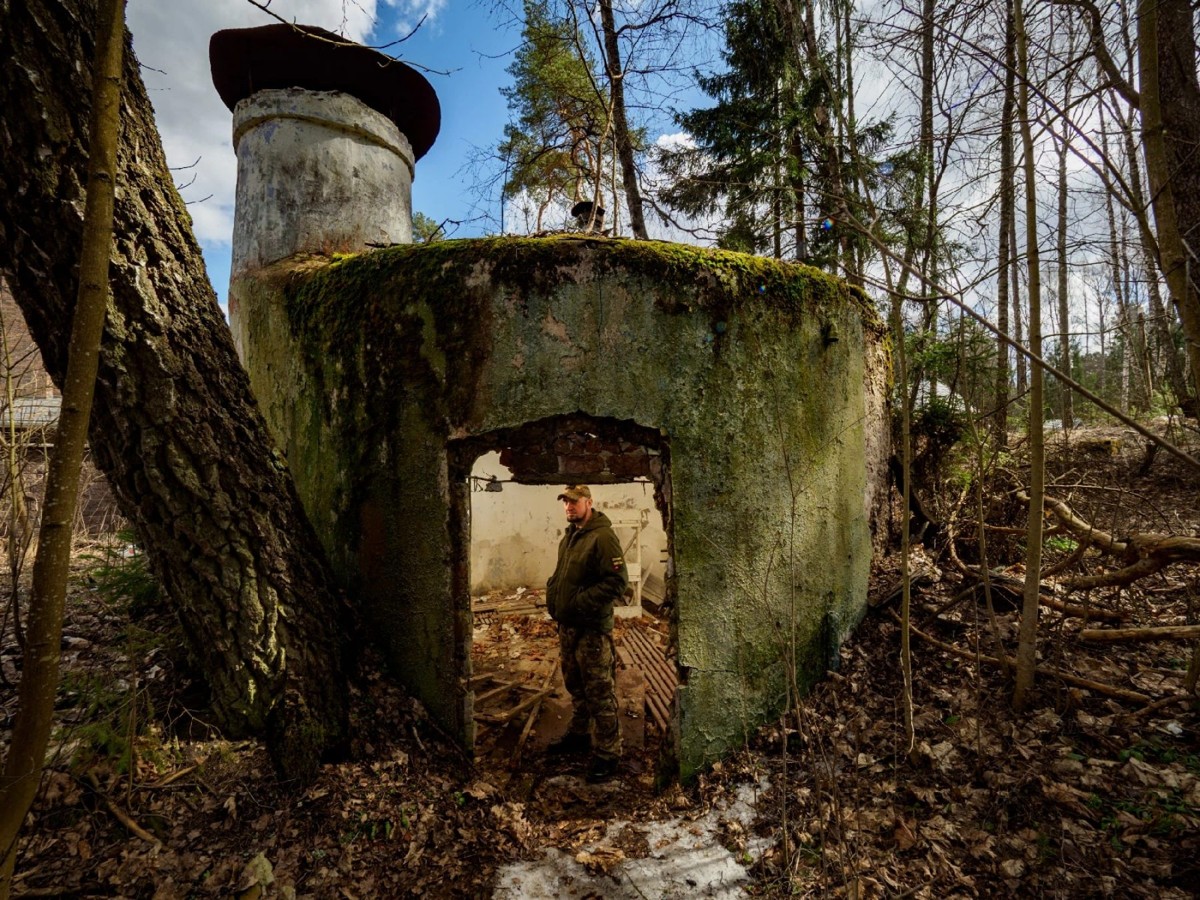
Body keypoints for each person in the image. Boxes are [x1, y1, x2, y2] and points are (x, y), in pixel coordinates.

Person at [545, 485, 628, 782]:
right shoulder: (570, 536)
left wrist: (580, 603)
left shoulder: (603, 537)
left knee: (599, 692)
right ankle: (580, 735)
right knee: (576, 686)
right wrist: (554, 592)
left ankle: (608, 753)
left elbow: (618, 583)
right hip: (569, 627)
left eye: (575, 502)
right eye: (565, 502)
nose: (569, 507)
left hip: (591, 629)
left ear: (589, 503)